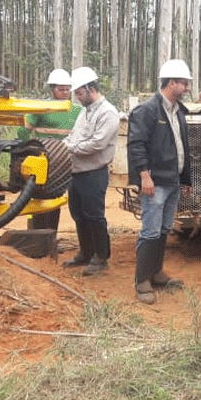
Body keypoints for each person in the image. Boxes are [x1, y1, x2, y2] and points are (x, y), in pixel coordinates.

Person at [127, 59, 193, 304]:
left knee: (164, 229)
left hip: (172, 181)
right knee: (151, 230)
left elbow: (182, 147)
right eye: (184, 83)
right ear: (171, 82)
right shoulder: (147, 110)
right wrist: (144, 175)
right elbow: (136, 145)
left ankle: (156, 272)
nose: (186, 87)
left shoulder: (178, 111)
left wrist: (185, 179)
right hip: (155, 183)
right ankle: (142, 280)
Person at [61, 67, 120, 276]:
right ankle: (85, 252)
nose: (77, 97)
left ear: (90, 88)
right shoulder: (85, 112)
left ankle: (101, 257)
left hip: (94, 173)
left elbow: (97, 144)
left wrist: (68, 148)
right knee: (78, 214)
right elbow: (74, 137)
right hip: (76, 172)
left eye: (79, 93)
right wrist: (63, 145)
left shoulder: (108, 113)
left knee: (94, 215)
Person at [22, 68, 81, 229]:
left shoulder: (77, 111)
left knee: (57, 199)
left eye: (67, 89)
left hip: (66, 162)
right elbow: (23, 131)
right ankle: (36, 233)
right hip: (44, 163)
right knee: (39, 198)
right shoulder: (41, 108)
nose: (64, 92)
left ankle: (49, 235)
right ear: (51, 89)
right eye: (60, 89)